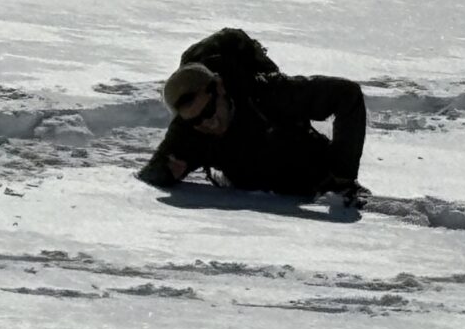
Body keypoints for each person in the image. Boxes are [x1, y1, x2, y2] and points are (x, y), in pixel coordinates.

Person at [136, 28, 368, 203]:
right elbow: (150, 175)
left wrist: (343, 178)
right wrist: (166, 173)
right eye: (196, 121)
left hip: (314, 179)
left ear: (219, 88)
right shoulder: (187, 131)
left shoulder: (267, 93)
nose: (209, 122)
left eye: (209, 111)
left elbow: (347, 95)